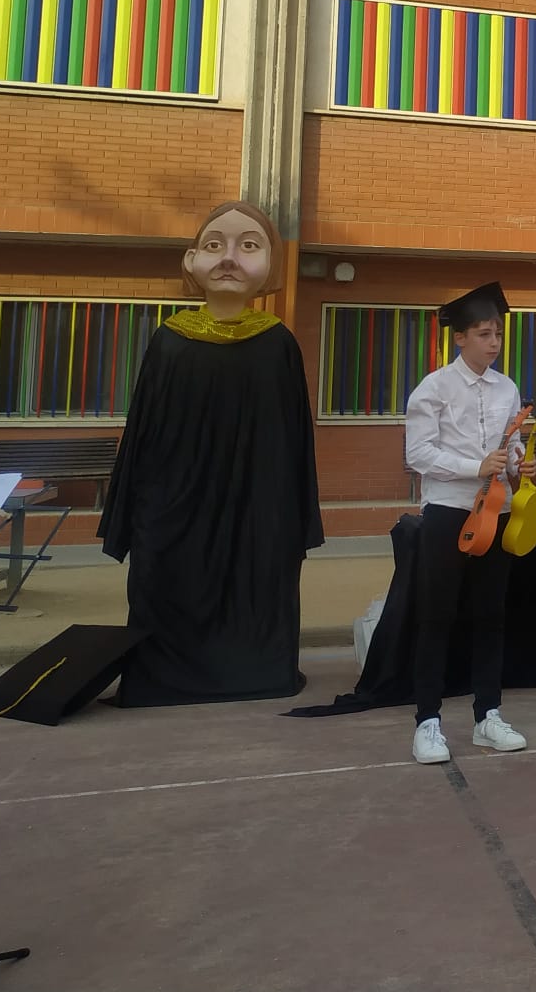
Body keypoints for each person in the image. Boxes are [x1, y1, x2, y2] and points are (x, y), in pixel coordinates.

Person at [100, 200, 323, 708]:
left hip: (255, 508)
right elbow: (142, 434)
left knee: (258, 580)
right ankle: (163, 678)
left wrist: (289, 516)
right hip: (175, 506)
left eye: (249, 246)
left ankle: (256, 671)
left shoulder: (278, 345)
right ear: (190, 260)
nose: (229, 258)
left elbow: (293, 444)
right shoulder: (169, 342)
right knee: (165, 581)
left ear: (272, 265)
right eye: (214, 245)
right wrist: (137, 510)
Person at [403, 282, 530, 764]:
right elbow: (418, 453)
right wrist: (472, 466)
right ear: (460, 338)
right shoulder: (434, 387)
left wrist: (519, 461)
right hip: (448, 512)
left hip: (495, 512)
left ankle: (488, 715)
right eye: (483, 334)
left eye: (497, 333)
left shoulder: (507, 387)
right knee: (436, 616)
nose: (493, 343)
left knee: (490, 616)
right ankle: (427, 722)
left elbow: (510, 445)